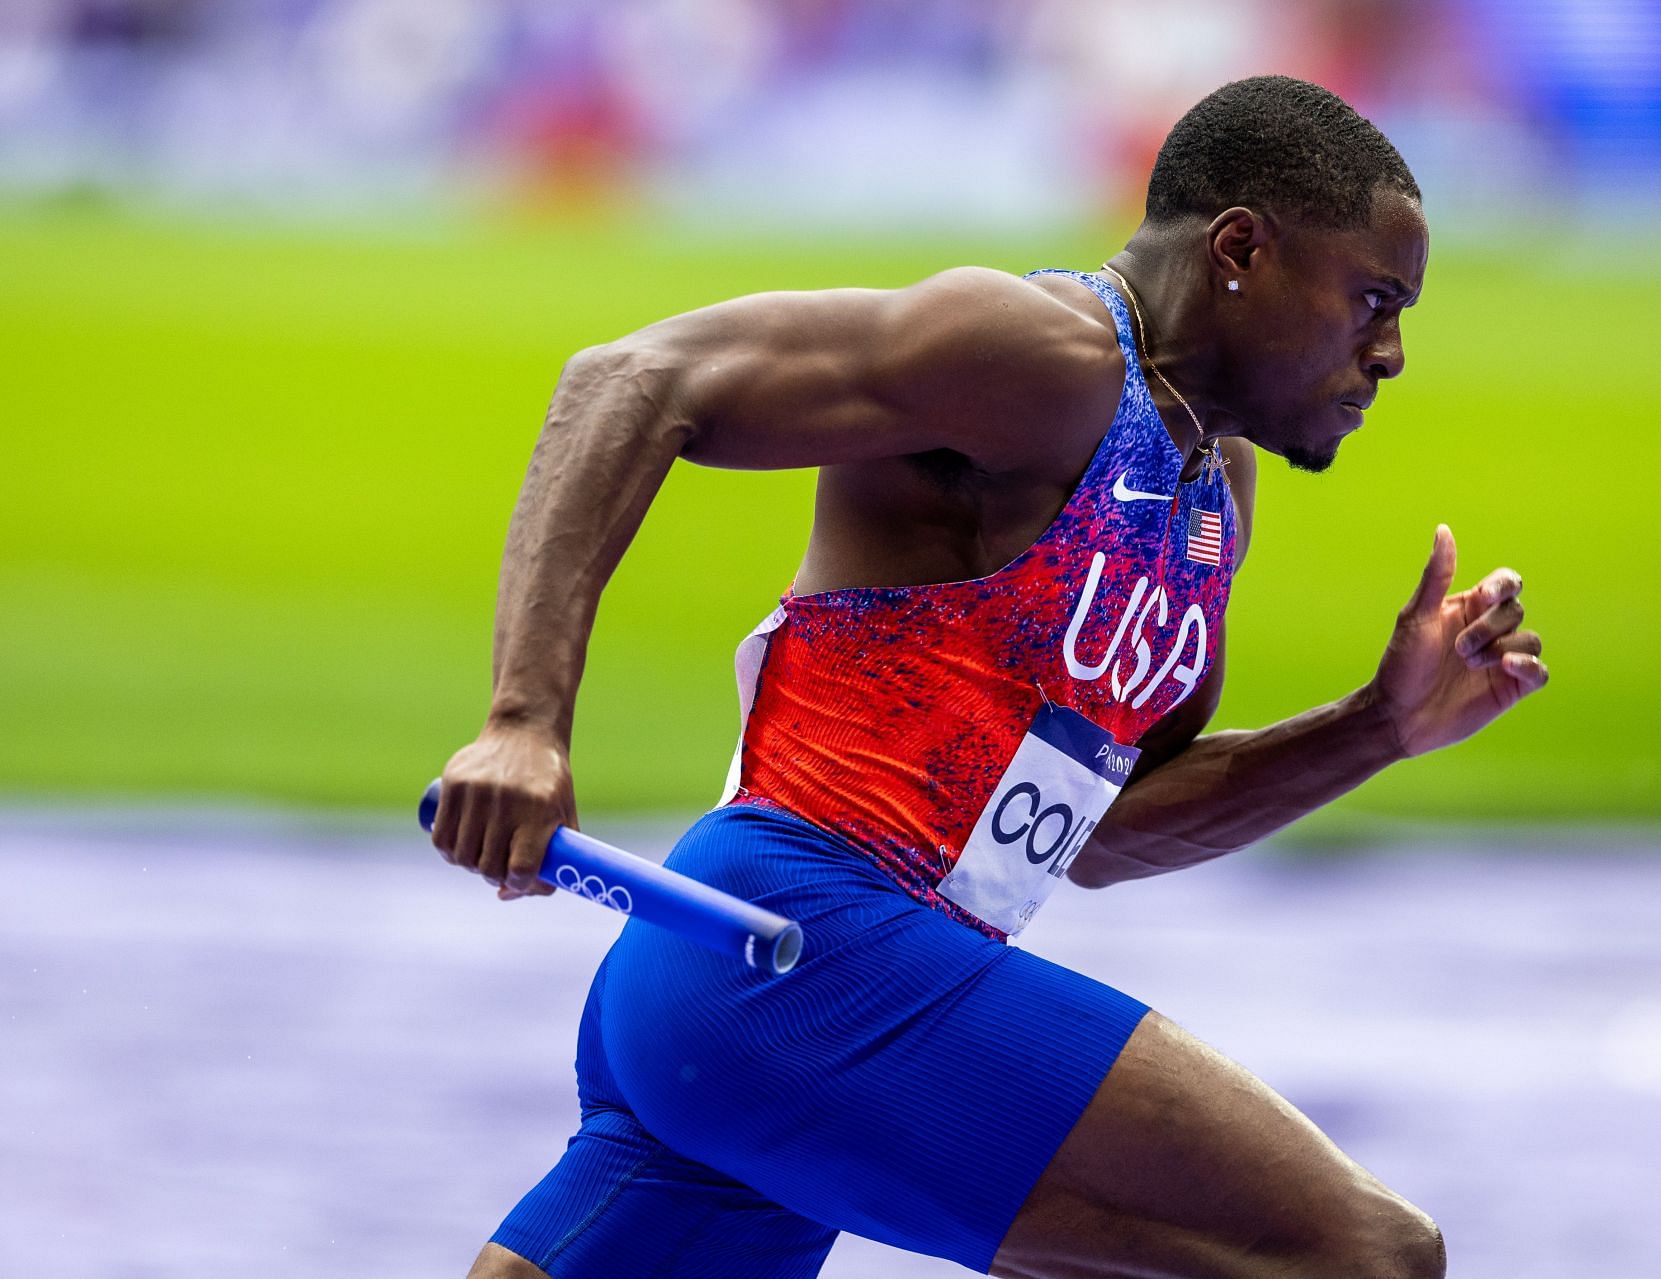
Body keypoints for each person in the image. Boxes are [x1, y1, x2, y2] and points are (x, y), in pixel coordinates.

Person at [429, 75, 1546, 1279]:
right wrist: (523, 720)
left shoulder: (1214, 482)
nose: (1389, 354)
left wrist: (1376, 728)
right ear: (1241, 250)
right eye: (1373, 301)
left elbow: (1100, 835)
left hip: (768, 1007)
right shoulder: (1038, 357)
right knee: (1366, 1258)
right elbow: (632, 379)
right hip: (797, 948)